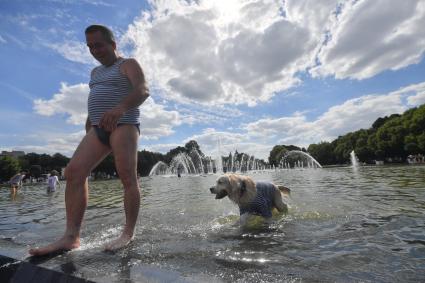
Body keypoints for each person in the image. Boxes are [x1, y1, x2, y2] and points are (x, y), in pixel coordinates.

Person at [29, 24, 149, 256]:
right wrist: (89, 124)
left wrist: (120, 108)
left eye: (99, 45)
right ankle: (71, 237)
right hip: (98, 127)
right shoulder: (95, 73)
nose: (94, 50)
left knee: (127, 176)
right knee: (73, 172)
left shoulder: (128, 64)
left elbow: (143, 90)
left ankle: (128, 233)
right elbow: (96, 98)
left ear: (113, 45)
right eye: (90, 46)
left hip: (124, 124)